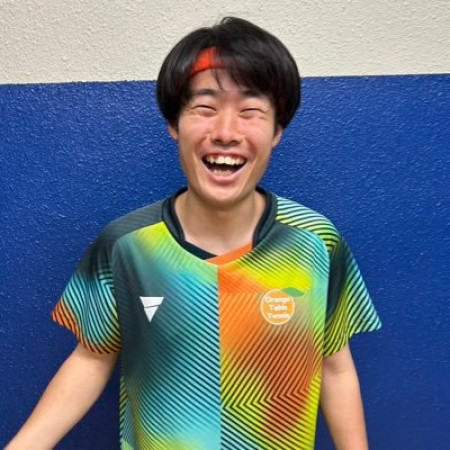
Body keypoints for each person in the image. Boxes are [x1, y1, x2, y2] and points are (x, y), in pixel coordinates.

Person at [7, 16, 381, 450]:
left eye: (251, 111)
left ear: (277, 131)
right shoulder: (126, 244)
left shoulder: (316, 241)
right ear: (174, 123)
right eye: (204, 108)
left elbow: (335, 366)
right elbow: (92, 358)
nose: (225, 132)